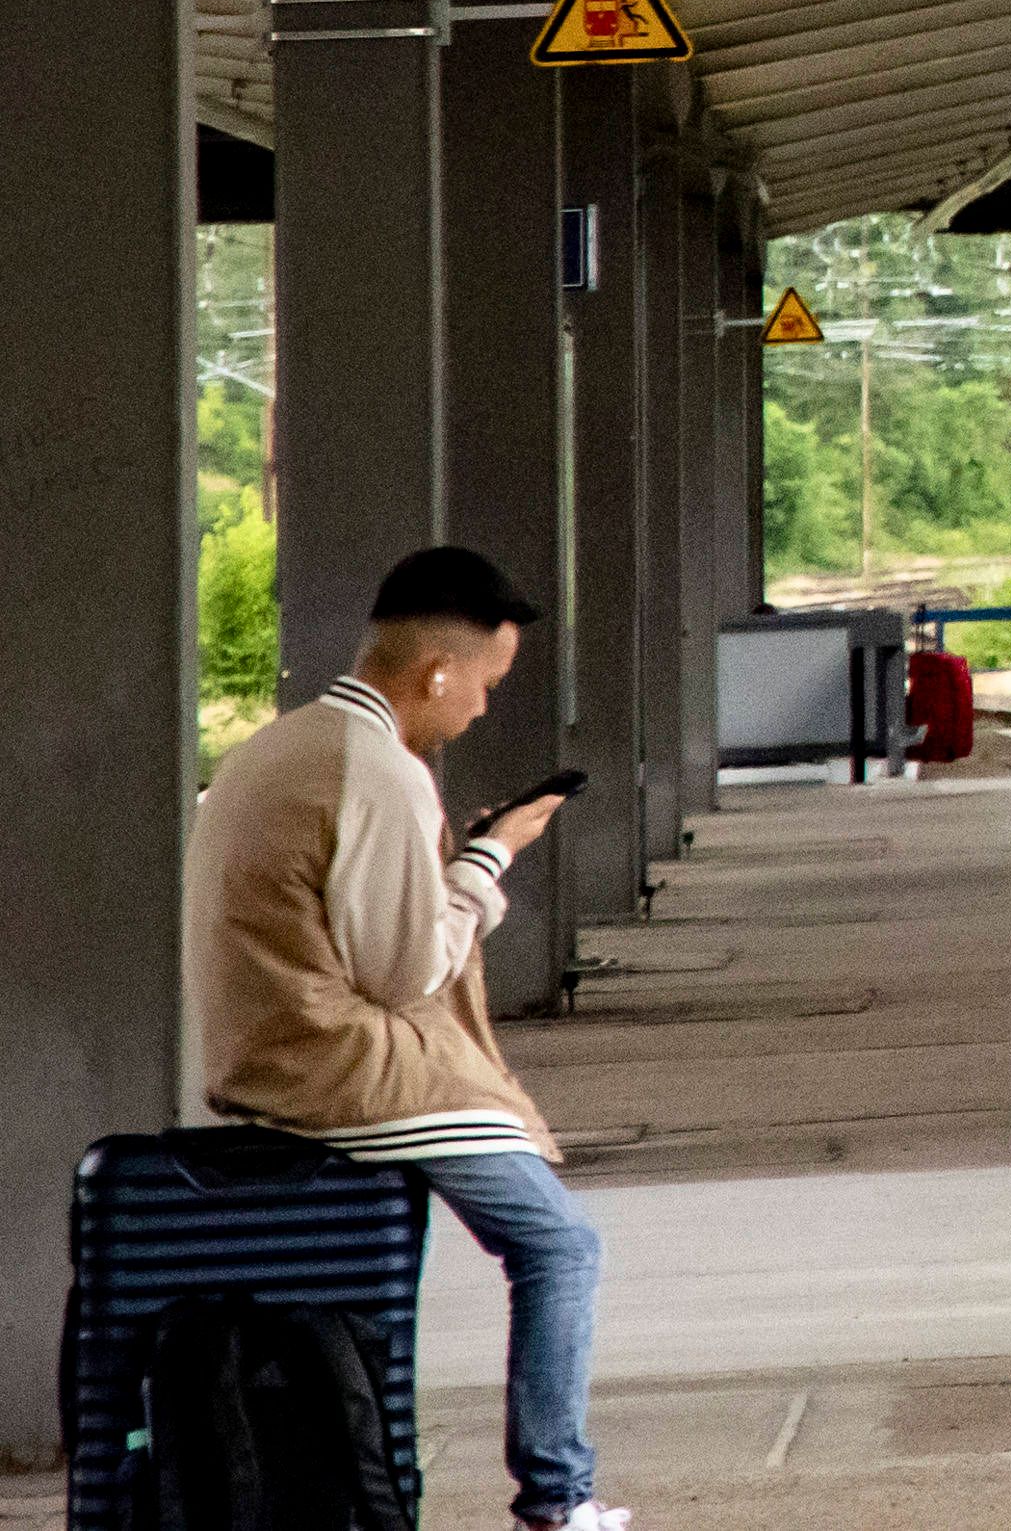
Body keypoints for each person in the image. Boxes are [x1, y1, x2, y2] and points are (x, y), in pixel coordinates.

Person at [185, 543, 624, 1531]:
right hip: (339, 1069)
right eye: (483, 683)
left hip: (271, 1051)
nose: (477, 708)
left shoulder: (284, 744)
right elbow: (405, 969)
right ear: (435, 669)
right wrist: (489, 856)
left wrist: (454, 861)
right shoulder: (378, 767)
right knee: (560, 1242)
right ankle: (557, 1495)